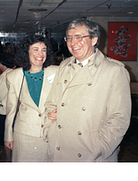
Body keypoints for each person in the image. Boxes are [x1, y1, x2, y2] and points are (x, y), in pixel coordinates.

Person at [43, 18, 131, 162]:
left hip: (91, 154)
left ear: (94, 39)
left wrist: (99, 147)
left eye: (79, 37)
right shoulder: (64, 65)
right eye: (69, 38)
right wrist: (49, 130)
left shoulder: (114, 71)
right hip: (59, 147)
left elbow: (119, 118)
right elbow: (50, 103)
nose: (73, 43)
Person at [4, 34, 58, 162]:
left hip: (51, 132)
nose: (40, 54)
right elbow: (11, 108)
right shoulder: (14, 76)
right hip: (24, 134)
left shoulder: (57, 72)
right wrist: (8, 136)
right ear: (26, 52)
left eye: (44, 50)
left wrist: (61, 112)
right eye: (35, 49)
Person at [0, 52, 15, 161]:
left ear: (2, 63)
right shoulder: (14, 74)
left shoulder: (4, 76)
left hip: (4, 111)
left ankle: (7, 159)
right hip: (13, 110)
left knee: (5, 136)